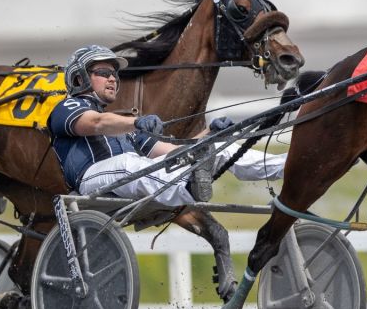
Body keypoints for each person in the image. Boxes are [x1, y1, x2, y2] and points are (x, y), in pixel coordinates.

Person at [47, 45, 284, 211]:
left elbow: (171, 152)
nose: (113, 79)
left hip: (136, 173)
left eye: (115, 74)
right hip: (91, 179)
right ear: (79, 79)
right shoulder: (67, 107)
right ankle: (188, 187)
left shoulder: (123, 124)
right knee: (129, 163)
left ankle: (287, 165)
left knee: (217, 147)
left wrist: (211, 135)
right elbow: (95, 123)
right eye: (104, 73)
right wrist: (136, 121)